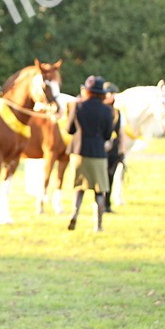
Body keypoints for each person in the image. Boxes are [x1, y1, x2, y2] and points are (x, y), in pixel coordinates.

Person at [65, 76, 115, 232]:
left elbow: (69, 129)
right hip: (98, 154)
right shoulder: (107, 110)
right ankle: (98, 226)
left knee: (79, 188)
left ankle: (74, 214)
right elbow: (108, 134)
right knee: (99, 191)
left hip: (79, 153)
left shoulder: (78, 106)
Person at [103, 82, 124, 211]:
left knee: (111, 174)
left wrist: (122, 148)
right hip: (103, 146)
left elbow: (120, 130)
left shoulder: (117, 112)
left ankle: (107, 203)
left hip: (114, 146)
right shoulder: (101, 110)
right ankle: (101, 202)